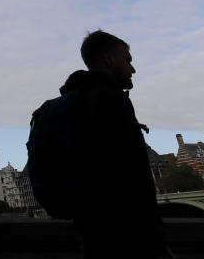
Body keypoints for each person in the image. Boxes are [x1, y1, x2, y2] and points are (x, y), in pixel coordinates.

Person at [61, 30, 171, 259]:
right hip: (128, 241)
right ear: (110, 60)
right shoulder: (109, 101)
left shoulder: (76, 101)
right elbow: (129, 180)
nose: (133, 69)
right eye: (128, 60)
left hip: (95, 237)